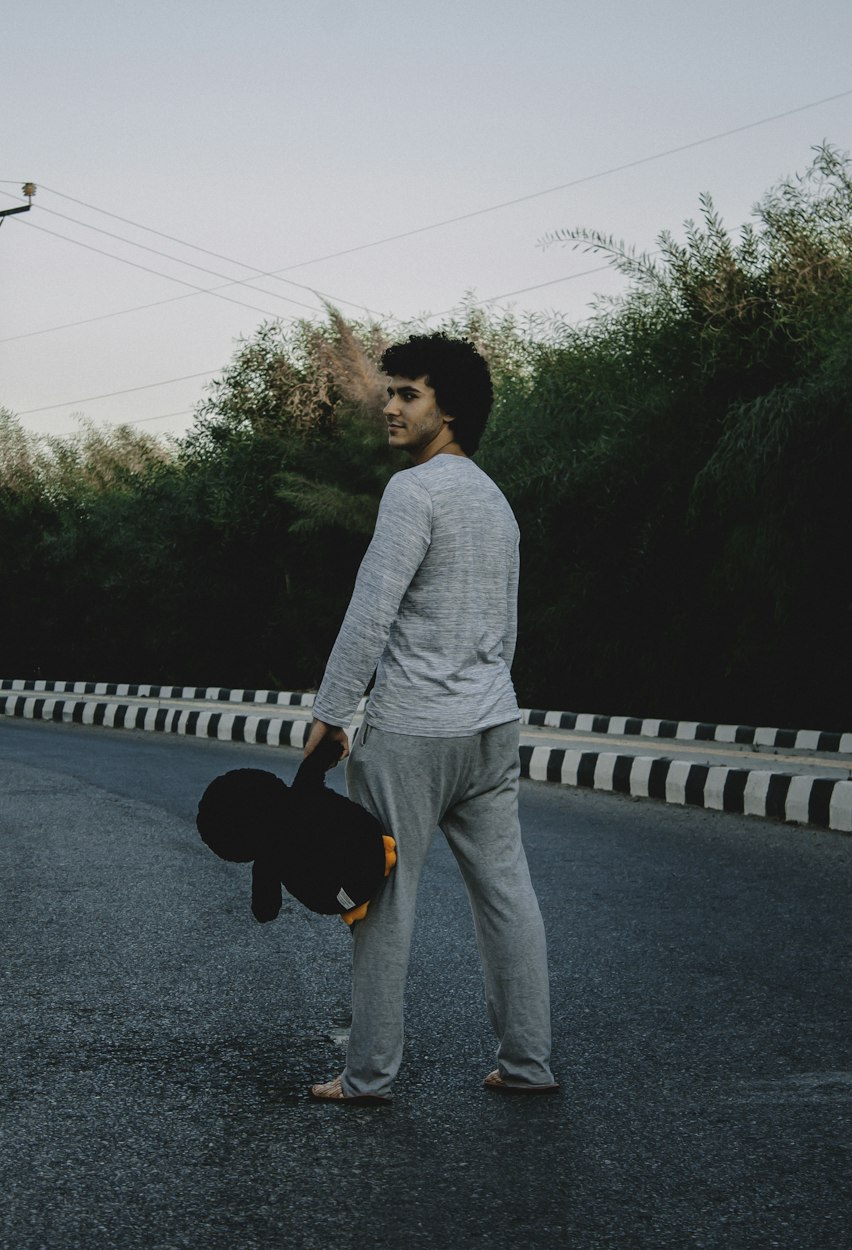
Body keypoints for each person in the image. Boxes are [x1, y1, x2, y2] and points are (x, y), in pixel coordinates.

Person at [304, 331, 557, 1104]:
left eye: (407, 393)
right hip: (490, 730)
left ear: (448, 409)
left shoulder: (412, 493)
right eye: (391, 391)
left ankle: (369, 1074)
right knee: (507, 894)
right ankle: (527, 1065)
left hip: (413, 732)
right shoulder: (495, 501)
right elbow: (506, 629)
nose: (389, 405)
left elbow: (369, 614)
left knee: (381, 902)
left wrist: (330, 713)